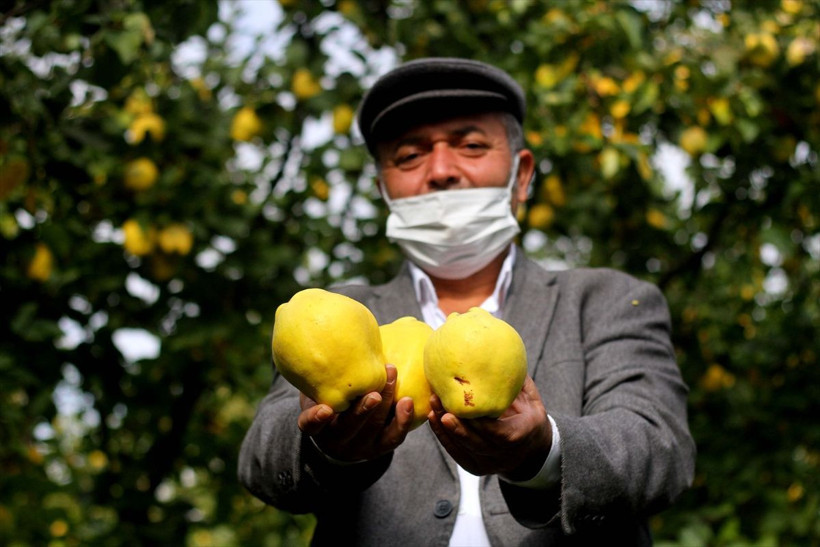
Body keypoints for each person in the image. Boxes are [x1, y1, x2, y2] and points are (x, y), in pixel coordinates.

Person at [238, 57, 696, 545]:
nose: (441, 171)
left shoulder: (607, 300)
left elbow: (659, 450)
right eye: (409, 156)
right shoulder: (340, 315)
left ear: (522, 176)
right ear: (383, 190)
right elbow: (262, 462)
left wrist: (542, 451)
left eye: (472, 145)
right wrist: (328, 449)